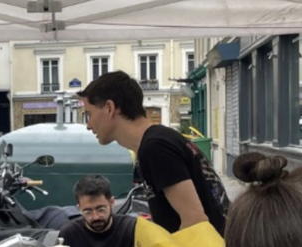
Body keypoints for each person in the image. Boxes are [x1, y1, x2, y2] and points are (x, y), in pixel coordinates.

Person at [79, 70, 230, 236]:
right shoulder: (158, 140)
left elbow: (194, 220)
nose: (88, 125)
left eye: (89, 114)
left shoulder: (155, 148)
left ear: (109, 108)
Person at [59, 174, 136, 247]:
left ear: (112, 202)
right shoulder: (69, 234)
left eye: (100, 209)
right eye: (88, 211)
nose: (95, 217)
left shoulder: (131, 229)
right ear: (79, 208)